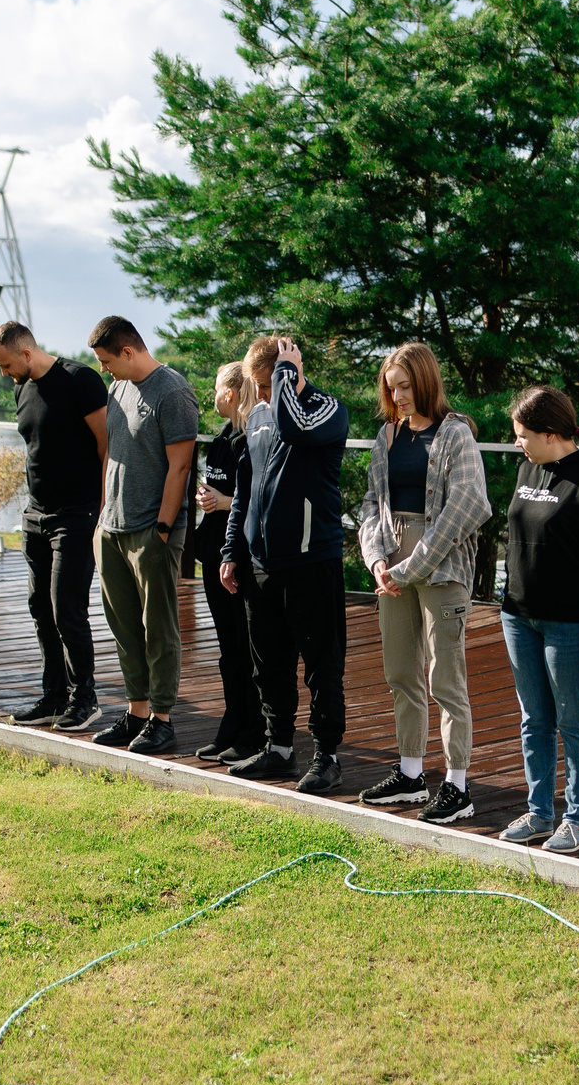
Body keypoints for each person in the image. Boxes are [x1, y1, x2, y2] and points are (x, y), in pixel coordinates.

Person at [356, 344, 491, 822]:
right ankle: (411, 774)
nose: (398, 396)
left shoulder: (456, 434)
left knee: (445, 679)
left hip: (441, 567)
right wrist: (376, 560)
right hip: (392, 565)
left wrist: (410, 566)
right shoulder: (388, 435)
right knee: (400, 673)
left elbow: (470, 505)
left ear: (426, 381)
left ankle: (458, 785)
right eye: (391, 388)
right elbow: (372, 503)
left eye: (406, 386)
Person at [495, 386, 579, 855]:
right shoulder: (529, 466)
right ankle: (538, 813)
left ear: (551, 433)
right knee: (533, 720)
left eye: (523, 435)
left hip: (570, 624)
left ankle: (578, 822)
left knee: (574, 721)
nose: (517, 443)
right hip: (519, 615)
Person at [221, 333, 352, 794]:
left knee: (321, 665)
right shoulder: (258, 416)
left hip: (312, 560)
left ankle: (326, 756)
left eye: (267, 383)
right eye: (257, 386)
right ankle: (278, 747)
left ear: (290, 372)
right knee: (269, 665)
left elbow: (295, 429)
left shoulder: (326, 409)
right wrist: (232, 551)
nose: (261, 395)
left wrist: (284, 375)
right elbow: (244, 489)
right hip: (262, 564)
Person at [84, 315, 198, 755]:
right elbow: (110, 453)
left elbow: (181, 467)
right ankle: (136, 713)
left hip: (151, 532)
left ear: (128, 351)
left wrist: (163, 529)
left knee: (158, 629)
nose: (103, 369)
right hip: (111, 529)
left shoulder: (172, 392)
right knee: (124, 628)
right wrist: (102, 517)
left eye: (106, 361)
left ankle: (162, 720)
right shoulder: (118, 389)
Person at [0, 321, 108, 731]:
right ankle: (54, 696)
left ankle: (84, 699)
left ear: (26, 353)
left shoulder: (80, 380)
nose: (4, 373)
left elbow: (106, 445)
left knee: (66, 609)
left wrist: (103, 507)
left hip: (77, 514)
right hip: (36, 514)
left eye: (6, 364)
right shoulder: (22, 387)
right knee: (40, 607)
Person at [189, 362, 263, 762]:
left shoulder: (250, 439)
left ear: (230, 393)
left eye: (216, 389)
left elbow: (259, 499)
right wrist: (208, 499)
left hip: (241, 556)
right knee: (227, 649)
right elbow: (218, 489)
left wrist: (222, 502)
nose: (213, 395)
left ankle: (254, 730)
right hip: (213, 551)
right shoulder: (222, 436)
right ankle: (232, 722)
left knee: (244, 645)